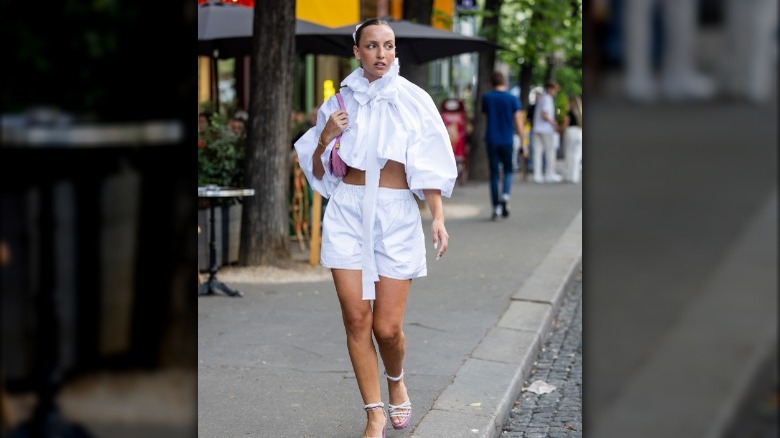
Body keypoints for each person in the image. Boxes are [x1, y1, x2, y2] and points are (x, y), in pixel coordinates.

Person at [293, 18, 457, 438]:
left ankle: (396, 379)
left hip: (396, 213)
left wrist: (436, 216)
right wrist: (326, 137)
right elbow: (319, 172)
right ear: (357, 51)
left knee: (386, 327)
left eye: (388, 45)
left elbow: (430, 163)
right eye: (372, 45)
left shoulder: (413, 99)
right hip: (347, 210)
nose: (381, 53)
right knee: (355, 319)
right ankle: (374, 414)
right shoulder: (338, 103)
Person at [481, 71, 525, 220]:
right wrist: (523, 139)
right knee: (508, 170)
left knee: (494, 174)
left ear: (492, 82)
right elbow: (517, 121)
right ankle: (505, 195)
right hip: (507, 139)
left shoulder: (486, 98)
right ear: (505, 82)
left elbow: (487, 118)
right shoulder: (512, 99)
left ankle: (496, 208)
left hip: (492, 139)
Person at [531, 82, 561, 183]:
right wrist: (553, 123)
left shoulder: (542, 98)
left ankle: (537, 174)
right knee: (550, 152)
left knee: (537, 152)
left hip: (537, 128)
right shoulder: (548, 99)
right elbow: (544, 115)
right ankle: (549, 173)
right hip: (546, 129)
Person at [562, 95, 583, 183]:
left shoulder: (569, 113)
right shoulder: (580, 113)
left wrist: (559, 128)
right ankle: (574, 176)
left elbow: (565, 125)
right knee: (577, 155)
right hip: (579, 132)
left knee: (569, 153)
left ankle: (568, 175)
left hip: (570, 132)